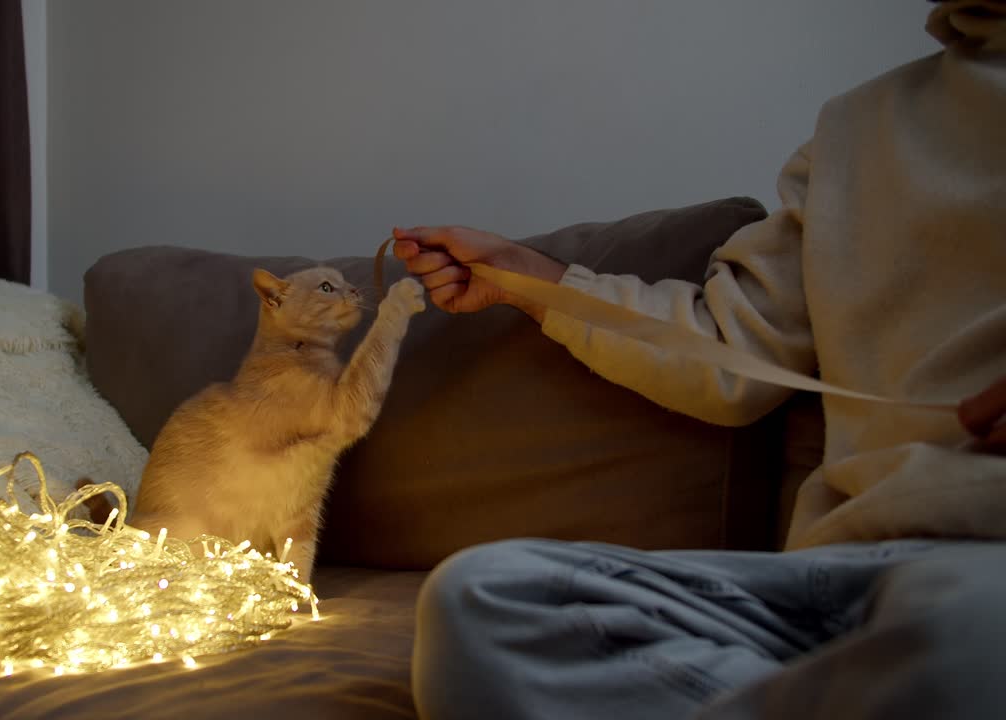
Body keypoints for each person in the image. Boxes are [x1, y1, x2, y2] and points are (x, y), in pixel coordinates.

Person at [393, 2, 1006, 718]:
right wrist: (533, 281)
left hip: (982, 573)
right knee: (485, 599)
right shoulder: (859, 128)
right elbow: (733, 354)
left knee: (968, 631)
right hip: (827, 579)